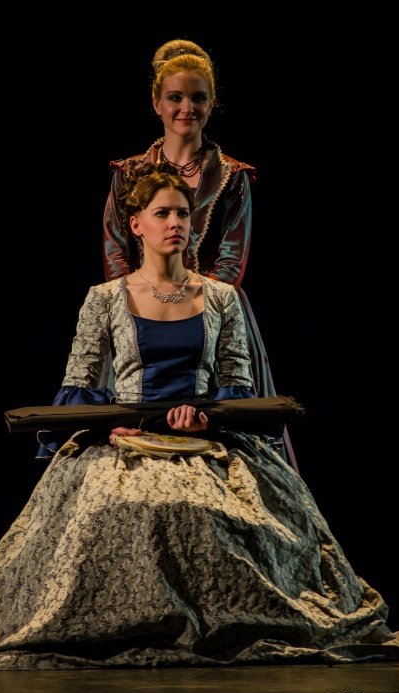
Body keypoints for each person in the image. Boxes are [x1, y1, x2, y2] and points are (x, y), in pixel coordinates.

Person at [0, 164, 399, 671]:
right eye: (162, 213)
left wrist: (208, 421)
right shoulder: (104, 299)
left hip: (208, 440)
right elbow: (79, 383)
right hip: (123, 443)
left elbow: (236, 381)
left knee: (222, 516)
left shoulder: (220, 297)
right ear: (137, 225)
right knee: (117, 511)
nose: (175, 222)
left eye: (182, 213)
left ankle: (220, 627)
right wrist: (108, 426)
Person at [102, 38, 300, 474]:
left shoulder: (232, 176)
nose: (186, 108)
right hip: (138, 308)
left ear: (211, 104)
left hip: (213, 309)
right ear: (157, 103)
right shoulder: (129, 172)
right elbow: (116, 250)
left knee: (230, 438)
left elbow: (230, 262)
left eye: (198, 98)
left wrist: (187, 304)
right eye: (175, 97)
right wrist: (142, 301)